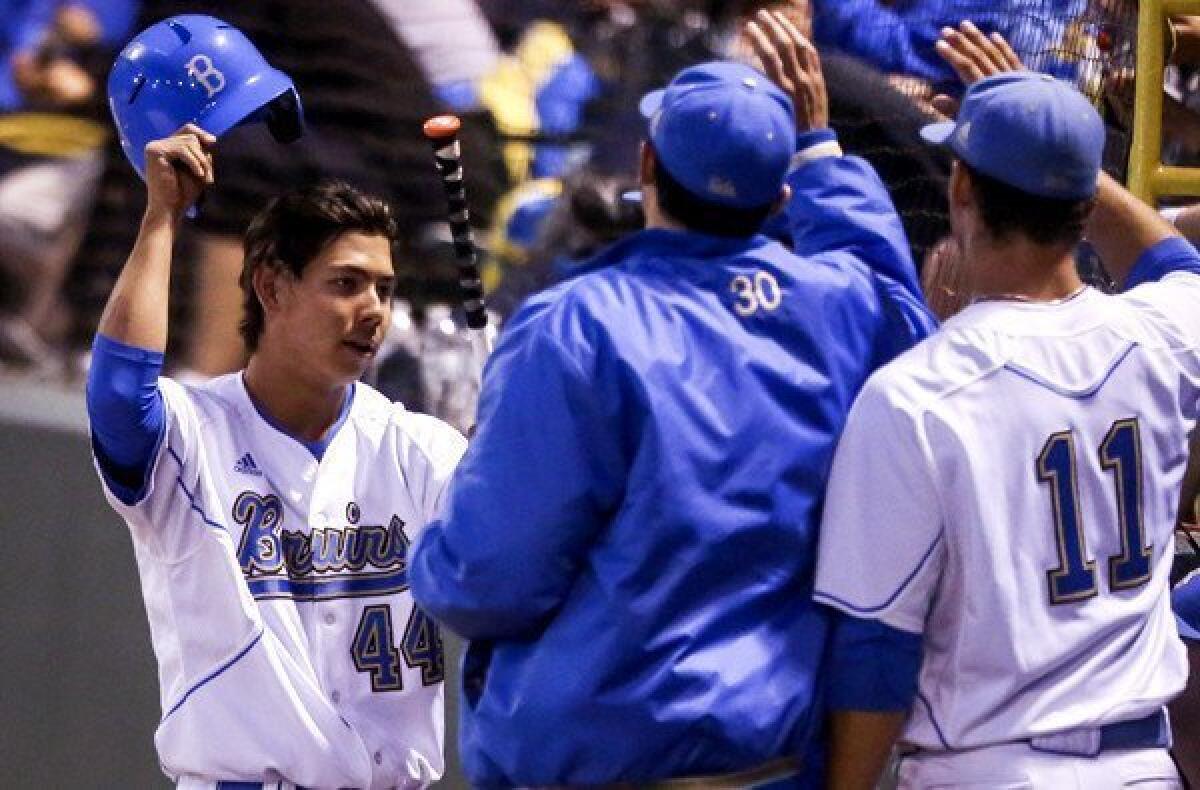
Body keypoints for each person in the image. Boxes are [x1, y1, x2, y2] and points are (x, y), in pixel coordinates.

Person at [409, 11, 935, 787]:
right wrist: (825, 154)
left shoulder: (575, 324)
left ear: (646, 166)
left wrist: (440, 535)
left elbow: (486, 581)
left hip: (603, 763)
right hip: (771, 762)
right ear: (782, 191)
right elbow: (897, 298)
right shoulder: (843, 307)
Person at [812, 26, 1200, 790]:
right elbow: (1174, 261)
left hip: (990, 770)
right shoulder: (1163, 336)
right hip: (1145, 769)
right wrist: (1067, 154)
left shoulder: (916, 392)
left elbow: (875, 648)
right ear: (1084, 201)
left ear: (961, 187)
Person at [85, 125, 466, 789]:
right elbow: (118, 394)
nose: (372, 309)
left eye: (383, 287)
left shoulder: (423, 448)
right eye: (345, 283)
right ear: (271, 287)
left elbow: (516, 563)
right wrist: (160, 219)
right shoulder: (190, 433)